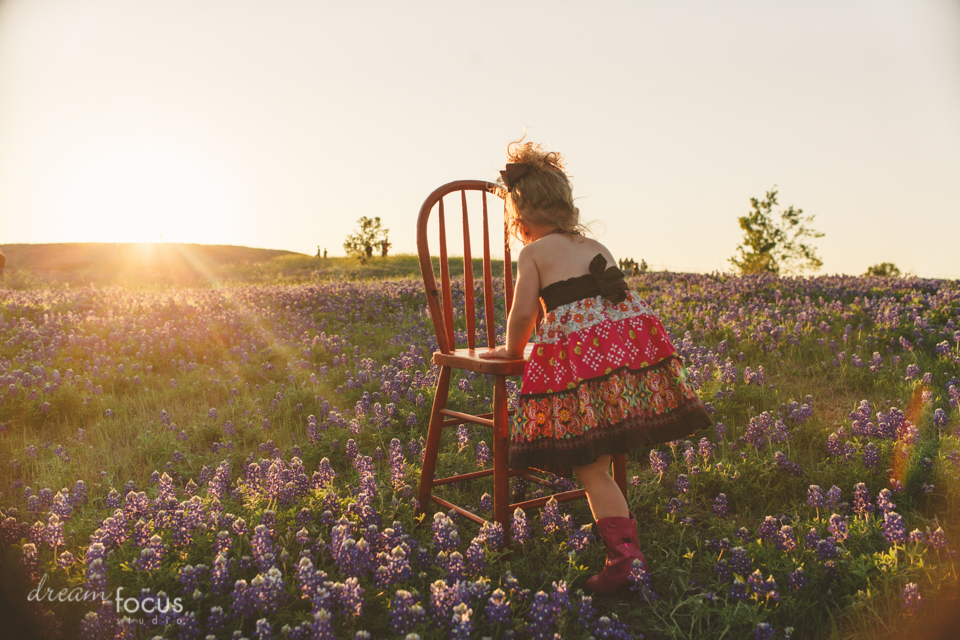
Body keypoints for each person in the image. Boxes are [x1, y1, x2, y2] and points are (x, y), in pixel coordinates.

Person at [480, 139, 712, 594]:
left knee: (588, 467)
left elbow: (524, 313)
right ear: (567, 206)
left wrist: (511, 351)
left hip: (581, 363)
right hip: (621, 359)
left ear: (520, 221)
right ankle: (625, 553)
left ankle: (625, 563)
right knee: (598, 462)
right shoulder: (595, 243)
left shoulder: (533, 254)